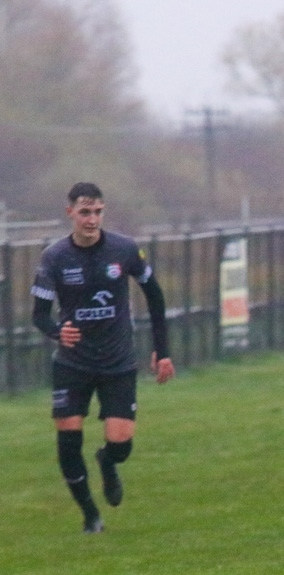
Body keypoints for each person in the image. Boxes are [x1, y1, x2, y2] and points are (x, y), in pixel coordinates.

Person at [31, 182, 175, 534]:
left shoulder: (124, 250)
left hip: (118, 363)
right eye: (84, 212)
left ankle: (107, 462)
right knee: (68, 438)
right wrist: (55, 332)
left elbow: (155, 297)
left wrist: (163, 350)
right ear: (71, 213)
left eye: (97, 212)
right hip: (72, 363)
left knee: (121, 443)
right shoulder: (54, 258)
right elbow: (40, 314)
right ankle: (91, 516)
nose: (92, 219)